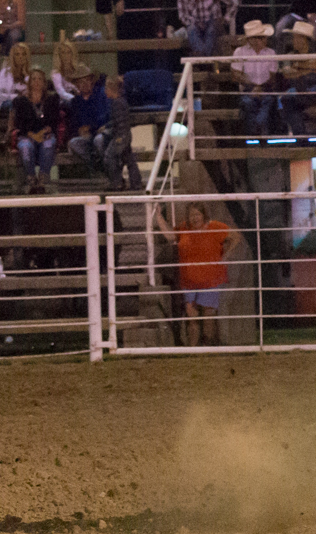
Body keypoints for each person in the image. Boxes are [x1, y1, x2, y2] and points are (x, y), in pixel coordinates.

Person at [152, 203, 243, 348]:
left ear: (203, 215)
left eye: (197, 214)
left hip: (211, 278)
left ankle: (208, 345)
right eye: (191, 215)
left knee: (208, 315)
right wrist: (158, 216)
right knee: (191, 316)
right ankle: (193, 349)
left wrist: (226, 256)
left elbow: (236, 237)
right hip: (188, 279)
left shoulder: (215, 227)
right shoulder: (184, 228)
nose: (194, 218)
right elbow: (170, 236)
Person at [11, 70, 60, 194]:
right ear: (29, 82)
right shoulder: (21, 101)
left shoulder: (52, 99)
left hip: (45, 133)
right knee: (26, 147)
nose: (37, 82)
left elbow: (54, 121)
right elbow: (19, 124)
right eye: (34, 79)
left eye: (40, 79)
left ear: (44, 83)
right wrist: (33, 135)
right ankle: (31, 177)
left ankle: (43, 178)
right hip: (27, 135)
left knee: (48, 144)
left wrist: (43, 132)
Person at [280, 20, 316, 136]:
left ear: (305, 39)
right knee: (288, 98)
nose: (293, 41)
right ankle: (301, 136)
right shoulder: (289, 56)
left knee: (289, 100)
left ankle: (300, 137)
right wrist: (310, 69)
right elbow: (287, 73)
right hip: (299, 88)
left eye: (297, 38)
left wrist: (299, 67)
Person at [231, 19, 279, 137]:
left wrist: (260, 88)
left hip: (266, 89)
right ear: (251, 40)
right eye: (260, 37)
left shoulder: (271, 53)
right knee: (250, 102)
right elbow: (235, 75)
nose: (263, 40)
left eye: (263, 37)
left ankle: (255, 132)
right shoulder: (240, 52)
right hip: (247, 90)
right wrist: (253, 87)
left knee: (266, 101)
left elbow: (273, 77)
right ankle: (260, 132)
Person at [64, 64, 110, 173]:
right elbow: (73, 123)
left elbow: (104, 117)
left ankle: (109, 170)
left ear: (91, 81)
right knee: (73, 143)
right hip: (85, 136)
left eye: (87, 80)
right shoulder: (75, 101)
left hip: (100, 132)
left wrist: (90, 128)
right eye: (80, 82)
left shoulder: (100, 94)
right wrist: (78, 131)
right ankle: (98, 165)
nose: (84, 84)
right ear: (76, 84)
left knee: (99, 140)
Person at [101, 74, 141, 191]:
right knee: (129, 160)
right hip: (124, 135)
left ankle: (117, 182)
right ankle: (136, 183)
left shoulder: (117, 103)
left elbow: (119, 122)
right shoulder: (120, 102)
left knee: (109, 157)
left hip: (121, 136)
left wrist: (118, 138)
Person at [0, 42, 33, 114]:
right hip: (5, 103)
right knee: (17, 103)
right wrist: (16, 96)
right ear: (13, 57)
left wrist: (26, 75)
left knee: (24, 104)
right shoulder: (5, 72)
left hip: (24, 104)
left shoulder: (30, 74)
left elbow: (32, 93)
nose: (21, 57)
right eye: (17, 54)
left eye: (23, 54)